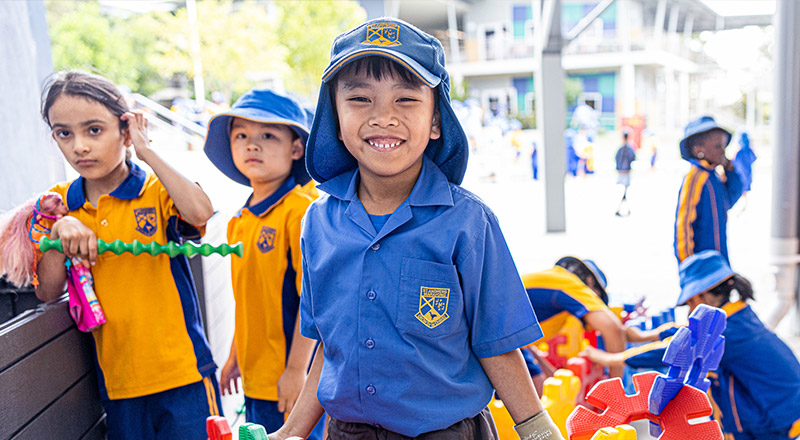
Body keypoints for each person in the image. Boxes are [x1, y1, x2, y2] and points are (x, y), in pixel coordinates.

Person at [272, 18, 562, 440]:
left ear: (436, 121)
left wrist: (538, 430)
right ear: (334, 117)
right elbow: (329, 348)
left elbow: (497, 343)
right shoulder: (317, 222)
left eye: (406, 99)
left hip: (447, 432)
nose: (383, 117)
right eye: (360, 99)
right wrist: (293, 431)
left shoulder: (469, 223)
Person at [35, 70, 219, 439]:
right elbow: (46, 290)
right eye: (64, 133)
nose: (80, 147)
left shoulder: (155, 190)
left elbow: (200, 213)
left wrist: (147, 150)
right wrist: (58, 231)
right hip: (119, 385)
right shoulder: (57, 204)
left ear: (125, 128)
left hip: (185, 375)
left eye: (94, 130)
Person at [583, 250, 800, 440]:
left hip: (777, 414)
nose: (689, 310)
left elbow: (676, 350)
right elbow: (686, 331)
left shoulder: (728, 331)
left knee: (720, 386)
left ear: (702, 295)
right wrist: (644, 336)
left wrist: (610, 358)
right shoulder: (738, 315)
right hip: (786, 403)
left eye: (690, 302)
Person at [203, 89, 321, 435]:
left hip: (292, 380)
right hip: (256, 377)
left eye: (268, 135)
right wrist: (235, 357)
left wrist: (297, 370)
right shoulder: (240, 218)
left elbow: (312, 301)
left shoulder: (300, 210)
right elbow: (249, 296)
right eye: (241, 135)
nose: (252, 145)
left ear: (296, 148)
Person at [522, 257, 656, 380]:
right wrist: (615, 386)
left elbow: (526, 346)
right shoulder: (569, 282)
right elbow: (613, 329)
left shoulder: (552, 294)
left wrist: (550, 373)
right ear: (590, 283)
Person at [674, 116, 743, 264]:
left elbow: (730, 198)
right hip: (701, 265)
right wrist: (689, 265)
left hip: (719, 260)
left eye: (725, 146)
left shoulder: (715, 177)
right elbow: (683, 227)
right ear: (698, 149)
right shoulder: (695, 178)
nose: (723, 151)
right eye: (718, 146)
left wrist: (729, 169)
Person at [615, 131, 636, 216]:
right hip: (625, 172)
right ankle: (622, 209)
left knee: (623, 191)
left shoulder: (622, 148)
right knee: (623, 191)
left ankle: (623, 209)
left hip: (622, 172)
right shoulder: (628, 148)